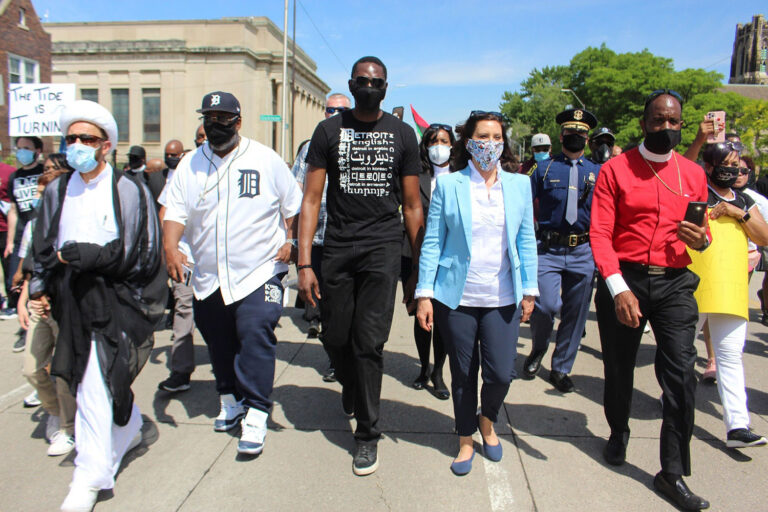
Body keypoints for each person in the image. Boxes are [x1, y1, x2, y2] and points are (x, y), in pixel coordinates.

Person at [30, 99, 166, 511]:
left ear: (106, 145)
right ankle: (125, 430)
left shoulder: (128, 190)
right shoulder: (56, 190)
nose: (76, 145)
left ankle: (89, 475)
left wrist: (96, 256)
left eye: (86, 139)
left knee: (99, 381)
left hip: (116, 300)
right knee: (87, 381)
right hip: (71, 301)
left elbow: (144, 251)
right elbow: (43, 245)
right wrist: (39, 286)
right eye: (70, 138)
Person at [298, 56, 424, 476]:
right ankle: (350, 388)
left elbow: (411, 205)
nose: (369, 86)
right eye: (363, 81)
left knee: (369, 343)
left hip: (382, 248)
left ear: (386, 88)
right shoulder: (328, 131)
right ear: (352, 85)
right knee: (335, 334)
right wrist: (304, 262)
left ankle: (367, 435)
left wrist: (416, 269)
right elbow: (312, 199)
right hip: (337, 246)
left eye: (377, 82)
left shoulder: (403, 134)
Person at [163, 91, 302, 456]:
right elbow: (173, 212)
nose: (215, 124)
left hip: (258, 270)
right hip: (208, 274)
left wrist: (291, 239)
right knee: (218, 339)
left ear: (238, 122)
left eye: (224, 118)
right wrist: (170, 247)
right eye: (210, 117)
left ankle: (256, 410)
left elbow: (293, 204)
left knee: (255, 332)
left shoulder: (264, 159)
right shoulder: (190, 164)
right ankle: (230, 398)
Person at [590, 89, 710, 511]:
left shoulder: (693, 174)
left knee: (681, 375)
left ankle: (671, 473)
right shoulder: (616, 170)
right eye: (658, 121)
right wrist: (617, 287)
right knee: (620, 368)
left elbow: (703, 232)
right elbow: (600, 234)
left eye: (674, 122)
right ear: (643, 124)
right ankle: (618, 430)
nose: (666, 128)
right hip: (626, 279)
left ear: (682, 124)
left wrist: (704, 239)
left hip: (675, 282)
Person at [415, 110, 537, 475]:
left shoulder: (518, 185)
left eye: (497, 137)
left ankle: (488, 419)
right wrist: (424, 293)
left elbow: (526, 238)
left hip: (503, 297)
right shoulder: (450, 186)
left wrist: (529, 289)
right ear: (468, 142)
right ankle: (466, 437)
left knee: (500, 373)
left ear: (504, 142)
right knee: (464, 375)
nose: (490, 144)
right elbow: (434, 241)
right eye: (482, 137)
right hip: (458, 298)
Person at [687, 141, 768, 449]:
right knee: (682, 352)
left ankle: (738, 426)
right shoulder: (697, 193)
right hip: (695, 287)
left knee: (730, 357)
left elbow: (764, 236)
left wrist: (738, 213)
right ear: (709, 166)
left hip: (731, 290)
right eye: (726, 163)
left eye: (737, 164)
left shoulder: (746, 201)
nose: (732, 169)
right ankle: (674, 399)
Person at [524, 109, 600, 393]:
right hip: (549, 248)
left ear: (587, 137)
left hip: (583, 250)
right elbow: (522, 203)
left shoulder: (597, 172)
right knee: (544, 307)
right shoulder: (543, 169)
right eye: (570, 132)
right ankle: (538, 349)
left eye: (581, 133)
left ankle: (561, 368)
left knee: (575, 312)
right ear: (561, 135)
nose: (575, 137)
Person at [17, 162, 77, 457]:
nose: (39, 200)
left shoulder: (72, 223)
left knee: (64, 372)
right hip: (39, 305)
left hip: (65, 307)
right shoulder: (37, 225)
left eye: (46, 194)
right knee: (32, 368)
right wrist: (25, 298)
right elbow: (32, 266)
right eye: (38, 194)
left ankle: (67, 427)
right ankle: (53, 410)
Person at [291, 93, 351, 344]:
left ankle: (333, 345)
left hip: (345, 237)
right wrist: (292, 239)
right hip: (315, 235)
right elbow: (296, 192)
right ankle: (316, 321)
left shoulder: (357, 144)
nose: (335, 115)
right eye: (330, 110)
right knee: (314, 287)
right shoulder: (310, 146)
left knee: (339, 299)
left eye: (341, 111)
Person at [403, 122, 453, 399]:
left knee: (442, 316)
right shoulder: (415, 176)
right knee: (419, 312)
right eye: (433, 141)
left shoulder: (460, 177)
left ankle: (438, 372)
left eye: (444, 141)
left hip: (448, 258)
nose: (438, 147)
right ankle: (423, 368)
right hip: (414, 255)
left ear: (452, 145)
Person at [157, 139, 197, 393]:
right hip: (188, 259)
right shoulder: (183, 173)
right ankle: (180, 371)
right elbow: (166, 212)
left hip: (224, 263)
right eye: (200, 137)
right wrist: (170, 249)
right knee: (183, 309)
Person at [5, 136, 45, 351]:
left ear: (37, 151)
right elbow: (13, 210)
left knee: (35, 281)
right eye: (19, 148)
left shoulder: (42, 173)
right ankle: (24, 327)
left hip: (40, 234)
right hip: (22, 236)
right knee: (17, 284)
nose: (21, 152)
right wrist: (10, 241)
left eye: (26, 148)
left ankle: (34, 327)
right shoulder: (15, 177)